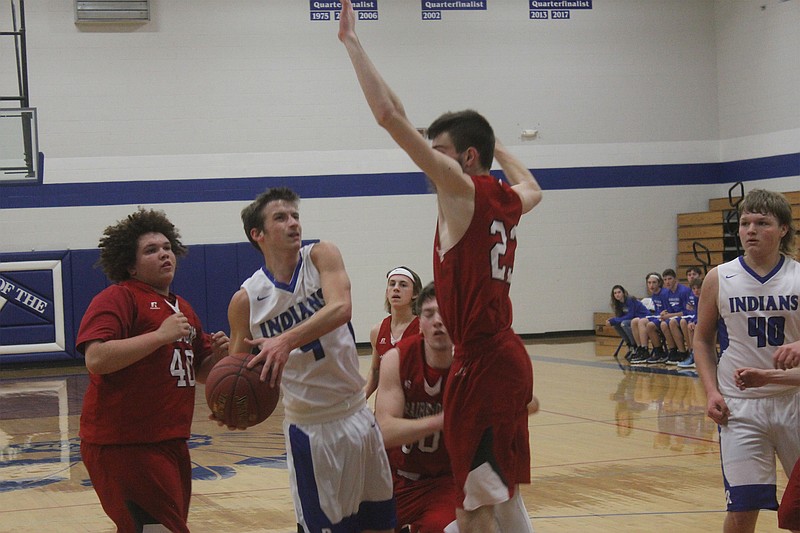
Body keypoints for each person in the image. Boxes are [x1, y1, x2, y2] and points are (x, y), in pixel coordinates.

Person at [339, 2, 543, 530]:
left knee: (473, 505)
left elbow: (389, 117)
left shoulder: (462, 190)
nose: (429, 157)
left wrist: (353, 45)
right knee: (498, 494)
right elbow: (535, 187)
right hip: (504, 355)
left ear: (466, 159)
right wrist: (497, 143)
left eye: (440, 151)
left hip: (481, 361)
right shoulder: (503, 196)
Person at [225, 186, 396, 533]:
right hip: (311, 429)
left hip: (358, 415)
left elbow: (341, 307)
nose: (293, 223)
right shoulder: (246, 300)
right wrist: (229, 401)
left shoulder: (321, 256)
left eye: (295, 216)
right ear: (258, 234)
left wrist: (284, 340)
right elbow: (237, 369)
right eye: (281, 218)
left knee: (381, 526)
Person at [76, 207, 229, 533]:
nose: (164, 255)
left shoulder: (182, 307)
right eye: (151, 250)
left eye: (167, 248)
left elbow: (199, 373)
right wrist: (159, 336)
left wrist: (217, 356)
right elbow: (97, 358)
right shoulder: (118, 297)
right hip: (125, 445)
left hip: (171, 442)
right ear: (130, 265)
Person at [376, 282, 541, 533]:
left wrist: (492, 411)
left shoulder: (474, 362)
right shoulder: (397, 359)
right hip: (398, 479)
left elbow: (530, 404)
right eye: (429, 314)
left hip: (447, 481)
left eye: (444, 314)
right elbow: (385, 431)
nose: (437, 321)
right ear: (419, 323)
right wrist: (447, 419)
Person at [694, 189, 800, 533]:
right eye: (744, 223)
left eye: (762, 222)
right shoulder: (719, 277)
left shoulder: (798, 275)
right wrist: (711, 392)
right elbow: (702, 339)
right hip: (740, 407)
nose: (751, 229)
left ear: (783, 229)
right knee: (742, 510)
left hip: (793, 400)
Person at [735, 365, 800, 532]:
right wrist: (768, 377)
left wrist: (768, 377)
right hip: (749, 404)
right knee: (791, 513)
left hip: (790, 405)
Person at [365, 266, 422, 400]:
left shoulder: (423, 329)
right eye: (392, 284)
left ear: (415, 294)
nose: (396, 288)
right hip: (385, 407)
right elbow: (375, 371)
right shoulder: (377, 330)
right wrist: (360, 401)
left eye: (403, 285)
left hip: (414, 406)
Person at [629, 273, 668, 365]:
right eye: (649, 283)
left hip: (665, 317)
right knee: (634, 321)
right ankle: (640, 348)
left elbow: (667, 310)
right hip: (657, 316)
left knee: (642, 322)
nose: (651, 285)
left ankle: (646, 349)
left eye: (654, 282)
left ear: (659, 283)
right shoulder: (654, 295)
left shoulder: (664, 293)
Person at [657, 268, 693, 364]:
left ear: (675, 279)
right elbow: (669, 310)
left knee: (673, 322)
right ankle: (676, 351)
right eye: (665, 280)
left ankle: (689, 351)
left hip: (687, 316)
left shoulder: (684, 291)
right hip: (676, 317)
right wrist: (664, 313)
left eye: (669, 279)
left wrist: (670, 315)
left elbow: (686, 311)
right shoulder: (666, 293)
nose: (667, 282)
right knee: (663, 324)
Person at [605, 284, 649, 360]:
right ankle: (630, 345)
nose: (617, 294)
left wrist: (613, 320)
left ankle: (634, 345)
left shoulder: (630, 300)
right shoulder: (618, 304)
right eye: (615, 293)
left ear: (623, 292)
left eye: (619, 292)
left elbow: (630, 315)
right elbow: (620, 317)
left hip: (642, 317)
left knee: (624, 324)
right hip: (633, 319)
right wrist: (613, 321)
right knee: (617, 325)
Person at [676, 277, 703, 369]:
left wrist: (696, 322)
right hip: (701, 321)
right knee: (690, 326)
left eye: (698, 288)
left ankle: (698, 356)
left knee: (695, 327)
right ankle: (693, 354)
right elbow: (697, 314)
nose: (696, 291)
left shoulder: (707, 298)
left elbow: (706, 314)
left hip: (712, 322)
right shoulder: (696, 299)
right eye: (694, 289)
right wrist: (693, 321)